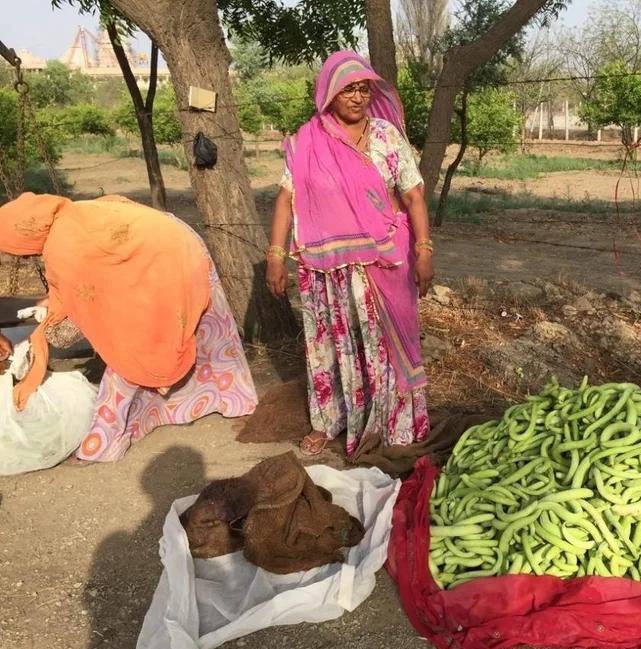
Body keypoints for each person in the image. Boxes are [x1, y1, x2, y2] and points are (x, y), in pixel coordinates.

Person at [0, 192, 258, 463]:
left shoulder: (62, 246)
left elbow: (82, 295)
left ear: (22, 234)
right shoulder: (74, 214)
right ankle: (234, 398)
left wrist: (47, 328)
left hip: (162, 260)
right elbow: (83, 279)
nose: (21, 255)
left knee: (128, 348)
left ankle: (103, 442)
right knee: (208, 327)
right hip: (181, 245)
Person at [267, 51, 435, 457]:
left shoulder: (386, 137)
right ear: (328, 93)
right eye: (348, 90)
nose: (358, 97)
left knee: (384, 346)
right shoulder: (307, 141)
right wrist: (275, 255)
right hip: (327, 270)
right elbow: (286, 199)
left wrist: (425, 250)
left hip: (383, 263)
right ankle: (330, 422)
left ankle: (389, 424)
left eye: (363, 89)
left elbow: (413, 195)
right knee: (332, 345)